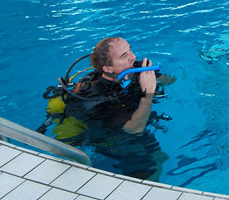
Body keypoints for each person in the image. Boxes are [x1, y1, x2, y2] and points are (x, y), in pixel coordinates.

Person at [61, 37, 175, 179]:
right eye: (124, 56)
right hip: (116, 143)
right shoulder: (96, 96)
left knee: (161, 159)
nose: (133, 57)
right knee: (149, 176)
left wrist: (154, 77)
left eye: (130, 50)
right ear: (108, 68)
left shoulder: (133, 69)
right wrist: (148, 94)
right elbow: (133, 130)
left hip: (141, 128)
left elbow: (170, 80)